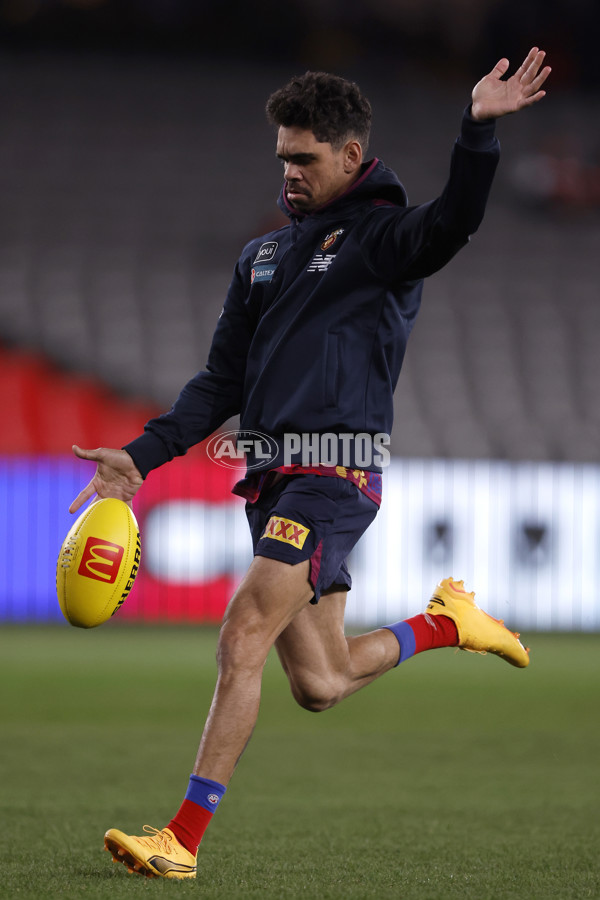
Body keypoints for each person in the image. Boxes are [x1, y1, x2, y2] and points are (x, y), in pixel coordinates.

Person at [70, 48, 551, 880]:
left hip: (336, 475)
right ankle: (444, 623)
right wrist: (139, 459)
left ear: (351, 158)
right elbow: (219, 381)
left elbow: (455, 223)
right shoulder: (260, 259)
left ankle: (181, 840)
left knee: (243, 628)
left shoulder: (382, 240)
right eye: (283, 157)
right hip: (270, 479)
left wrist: (477, 130)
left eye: (305, 159)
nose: (289, 172)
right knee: (321, 682)